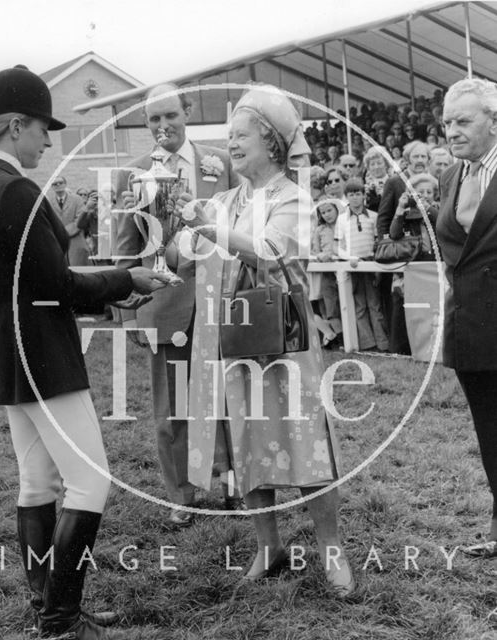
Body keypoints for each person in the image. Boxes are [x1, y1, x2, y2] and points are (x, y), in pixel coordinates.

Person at [0, 65, 169, 639]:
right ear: (15, 126)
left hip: (7, 343)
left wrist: (111, 273)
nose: (49, 141)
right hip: (44, 350)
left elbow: (38, 278)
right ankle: (60, 618)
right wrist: (128, 278)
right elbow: (60, 288)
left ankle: (47, 608)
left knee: (36, 482)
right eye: (42, 130)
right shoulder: (19, 191)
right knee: (90, 482)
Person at [175, 85, 355, 596]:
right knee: (248, 445)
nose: (231, 143)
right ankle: (267, 546)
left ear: (272, 143)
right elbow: (185, 256)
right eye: (229, 135)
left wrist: (211, 230)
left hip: (287, 343)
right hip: (236, 339)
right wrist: (178, 230)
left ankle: (330, 549)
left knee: (307, 443)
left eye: (241, 134)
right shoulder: (226, 200)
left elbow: (271, 253)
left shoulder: (294, 197)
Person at [115, 83, 240, 527]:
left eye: (171, 115)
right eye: (153, 119)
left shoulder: (220, 163)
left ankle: (231, 484)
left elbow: (240, 226)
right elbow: (124, 252)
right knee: (171, 409)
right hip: (163, 304)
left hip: (216, 298)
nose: (163, 125)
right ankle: (180, 496)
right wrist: (129, 314)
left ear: (187, 112)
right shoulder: (129, 174)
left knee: (225, 399)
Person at [436, 77, 497, 557]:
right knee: (490, 433)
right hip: (471, 328)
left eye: (462, 121)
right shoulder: (450, 176)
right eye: (446, 122)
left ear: (493, 120)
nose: (451, 131)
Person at [377, 141, 431, 354]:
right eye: (415, 157)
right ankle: (400, 349)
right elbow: (383, 217)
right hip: (403, 247)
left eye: (423, 157)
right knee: (402, 297)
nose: (419, 161)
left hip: (426, 248)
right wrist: (385, 244)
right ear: (407, 159)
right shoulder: (395, 182)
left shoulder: (430, 181)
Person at [336, 178, 388, 352]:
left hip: (370, 265)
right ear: (346, 197)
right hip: (353, 266)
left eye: (358, 194)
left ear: (363, 196)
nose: (355, 198)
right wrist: (349, 257)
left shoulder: (373, 216)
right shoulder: (341, 219)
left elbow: (376, 242)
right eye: (351, 194)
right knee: (360, 305)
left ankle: (383, 343)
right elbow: (338, 247)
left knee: (375, 304)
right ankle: (368, 344)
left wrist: (374, 258)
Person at [312, 198, 343, 348]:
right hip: (327, 272)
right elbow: (316, 250)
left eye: (329, 210)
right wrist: (320, 256)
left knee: (347, 303)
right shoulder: (320, 230)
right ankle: (338, 338)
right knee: (331, 306)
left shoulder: (343, 224)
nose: (327, 215)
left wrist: (332, 253)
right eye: (323, 212)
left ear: (336, 208)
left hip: (343, 268)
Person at [47, 176, 90, 267]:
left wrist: (63, 232)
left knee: (78, 272)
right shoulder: (48, 202)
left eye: (60, 183)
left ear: (65, 184)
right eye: (55, 184)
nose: (58, 185)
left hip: (76, 241)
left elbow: (80, 219)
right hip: (57, 244)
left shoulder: (77, 199)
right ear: (52, 186)